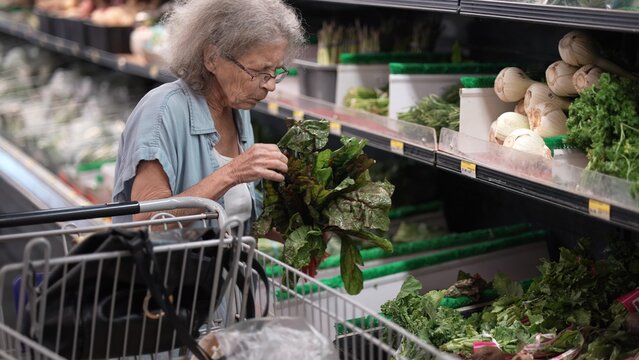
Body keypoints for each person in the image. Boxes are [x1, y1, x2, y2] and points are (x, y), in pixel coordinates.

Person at [112, 0, 305, 229]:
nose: (270, 85)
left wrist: (306, 229)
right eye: (258, 71)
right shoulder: (162, 111)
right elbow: (150, 221)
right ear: (212, 58)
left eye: (276, 71)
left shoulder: (237, 110)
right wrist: (233, 172)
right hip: (168, 265)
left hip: (224, 264)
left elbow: (241, 216)